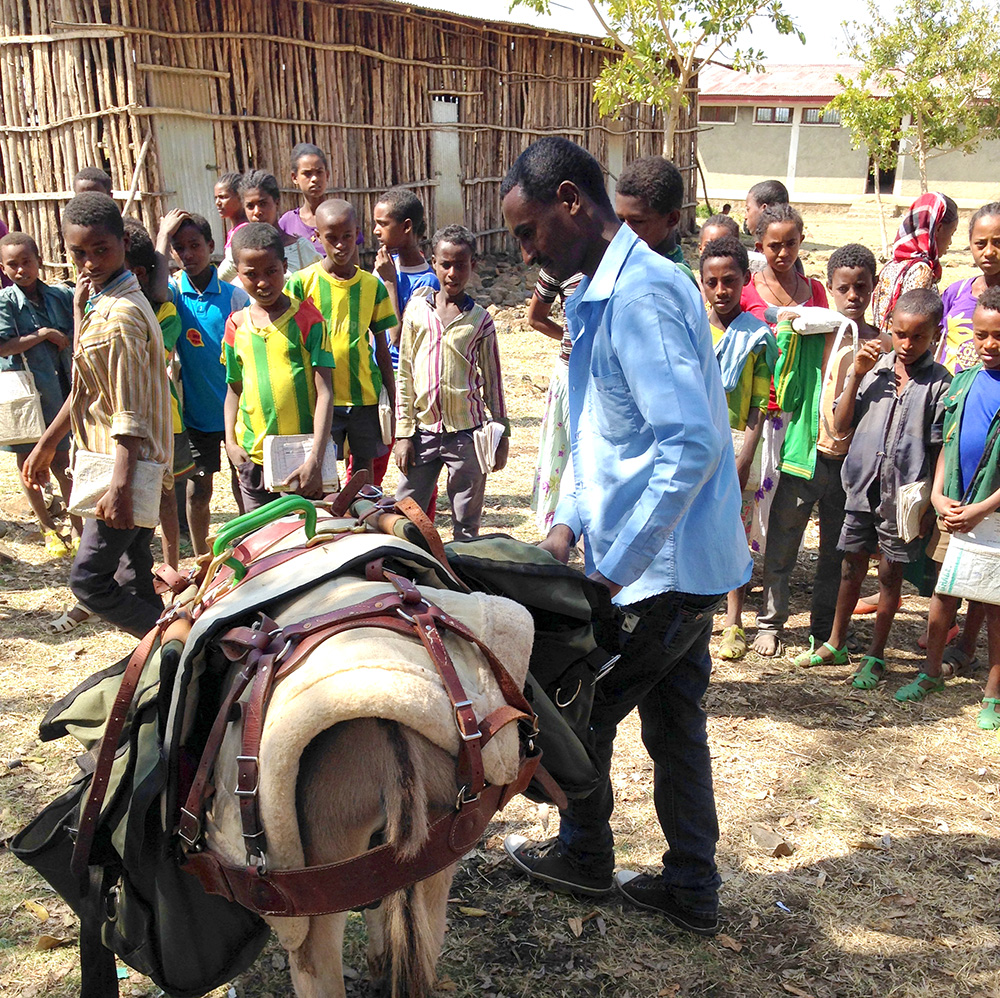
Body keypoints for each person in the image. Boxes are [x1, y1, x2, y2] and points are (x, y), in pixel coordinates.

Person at [499, 137, 750, 936]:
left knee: (579, 711)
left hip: (662, 571)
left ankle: (584, 854)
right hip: (648, 561)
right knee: (676, 726)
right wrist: (567, 528)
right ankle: (690, 889)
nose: (527, 251)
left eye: (532, 230)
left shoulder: (641, 295)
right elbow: (599, 435)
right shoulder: (595, 295)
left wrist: (616, 568)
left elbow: (688, 445)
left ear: (573, 201)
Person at [23, 193, 172, 638]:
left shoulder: (121, 314)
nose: (88, 262)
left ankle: (181, 646)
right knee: (132, 579)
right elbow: (89, 386)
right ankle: (166, 673)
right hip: (113, 464)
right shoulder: (100, 301)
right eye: (78, 252)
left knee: (88, 582)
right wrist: (49, 441)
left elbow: (129, 412)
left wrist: (121, 488)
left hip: (124, 469)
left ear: (124, 243)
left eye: (100, 250)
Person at [803, 289, 951, 688]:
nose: (906, 344)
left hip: (903, 497)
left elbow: (939, 448)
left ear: (935, 335)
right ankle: (835, 640)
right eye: (900, 333)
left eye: (917, 337)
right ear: (890, 328)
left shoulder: (939, 384)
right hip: (862, 487)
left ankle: (876, 654)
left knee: (889, 575)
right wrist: (855, 374)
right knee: (850, 565)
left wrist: (931, 505)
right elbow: (841, 423)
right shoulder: (874, 369)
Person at [896, 287, 1000, 727]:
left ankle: (993, 694)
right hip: (953, 508)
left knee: (995, 605)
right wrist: (938, 495)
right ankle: (931, 670)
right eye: (980, 335)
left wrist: (983, 509)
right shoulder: (963, 382)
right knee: (943, 595)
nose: (989, 344)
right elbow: (945, 446)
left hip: (992, 517)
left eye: (998, 336)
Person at [785, 244, 890, 663]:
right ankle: (773, 622)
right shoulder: (819, 333)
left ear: (874, 288)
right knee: (785, 543)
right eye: (843, 288)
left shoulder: (883, 343)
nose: (852, 297)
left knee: (836, 551)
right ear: (829, 288)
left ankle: (823, 630)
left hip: (856, 466)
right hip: (810, 455)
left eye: (861, 288)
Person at [393, 225, 508, 541]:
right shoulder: (417, 310)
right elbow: (404, 373)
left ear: (474, 265)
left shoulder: (480, 320)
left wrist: (501, 433)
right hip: (422, 435)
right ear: (433, 262)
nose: (453, 273)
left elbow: (493, 382)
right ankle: (412, 573)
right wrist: (403, 434)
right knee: (406, 514)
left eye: (461, 265)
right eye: (445, 264)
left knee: (466, 524)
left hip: (467, 437)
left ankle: (463, 581)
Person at [700, 236, 778, 659]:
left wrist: (745, 454)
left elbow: (760, 403)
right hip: (696, 439)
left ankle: (733, 620)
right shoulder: (693, 328)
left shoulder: (757, 337)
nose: (721, 290)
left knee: (736, 530)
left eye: (730, 281)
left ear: (745, 281)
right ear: (702, 284)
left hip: (738, 441)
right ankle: (695, 611)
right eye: (711, 282)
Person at [223, 222, 334, 512]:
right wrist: (231, 443)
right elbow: (234, 389)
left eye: (271, 271)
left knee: (306, 542)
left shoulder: (309, 321)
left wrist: (315, 459)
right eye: (251, 274)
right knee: (262, 544)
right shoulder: (236, 326)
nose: (262, 282)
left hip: (301, 457)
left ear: (284, 266)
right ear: (238, 273)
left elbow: (325, 393)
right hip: (252, 458)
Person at [157, 209, 250, 551]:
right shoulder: (173, 293)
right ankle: (200, 557)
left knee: (246, 483)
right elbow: (154, 287)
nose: (188, 254)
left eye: (195, 245)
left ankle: (254, 547)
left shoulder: (234, 296)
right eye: (179, 247)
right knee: (199, 491)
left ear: (211, 246)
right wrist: (162, 238)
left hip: (239, 410)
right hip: (196, 415)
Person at [286, 199, 396, 483]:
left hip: (363, 395)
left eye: (347, 236)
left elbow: (382, 349)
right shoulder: (301, 284)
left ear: (357, 233)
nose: (340, 245)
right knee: (319, 476)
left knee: (363, 475)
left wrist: (394, 399)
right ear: (317, 237)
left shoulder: (372, 286)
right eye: (331, 238)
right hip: (318, 399)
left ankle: (362, 523)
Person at [0, 232, 80, 558]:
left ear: (39, 261)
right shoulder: (5, 302)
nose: (21, 270)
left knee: (64, 462)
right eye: (13, 265)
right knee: (28, 465)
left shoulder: (59, 296)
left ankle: (76, 525)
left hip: (59, 392)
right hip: (24, 398)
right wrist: (43, 334)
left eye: (27, 262)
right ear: (3, 269)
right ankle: (47, 527)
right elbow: (4, 345)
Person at [122, 217, 194, 571]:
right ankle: (137, 570)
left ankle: (171, 568)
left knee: (167, 498)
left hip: (164, 420)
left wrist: (163, 238)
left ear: (138, 273)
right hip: (122, 421)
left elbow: (153, 356)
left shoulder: (164, 312)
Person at [367, 186, 440, 493]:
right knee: (370, 461)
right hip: (376, 378)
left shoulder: (428, 281)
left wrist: (387, 282)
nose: (375, 231)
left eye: (382, 224)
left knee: (415, 466)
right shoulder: (384, 267)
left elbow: (396, 337)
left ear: (406, 227)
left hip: (408, 383)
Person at [527, 268, 583, 534]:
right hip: (570, 374)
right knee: (568, 456)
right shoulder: (559, 262)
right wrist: (571, 339)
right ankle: (560, 533)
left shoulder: (618, 258)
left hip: (610, 378)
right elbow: (536, 318)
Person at [872, 192, 959, 332]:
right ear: (938, 229)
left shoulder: (891, 265)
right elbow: (914, 325)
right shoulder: (921, 270)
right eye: (952, 233)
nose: (950, 242)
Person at [219, 171, 321, 285]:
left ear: (276, 203)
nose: (257, 212)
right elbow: (217, 284)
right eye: (250, 206)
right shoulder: (238, 251)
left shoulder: (300, 250)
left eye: (263, 204)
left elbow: (321, 284)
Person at [614, 156, 696, 283]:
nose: (624, 230)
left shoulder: (675, 279)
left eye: (637, 221)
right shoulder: (622, 266)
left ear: (672, 219)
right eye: (620, 220)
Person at [279, 143, 331, 257]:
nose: (314, 179)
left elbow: (354, 266)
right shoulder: (287, 223)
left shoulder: (340, 217)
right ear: (294, 177)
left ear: (327, 175)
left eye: (319, 172)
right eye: (307, 174)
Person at [743, 179, 794, 274]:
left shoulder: (782, 262)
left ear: (764, 209)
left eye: (748, 209)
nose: (745, 216)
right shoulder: (791, 258)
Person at [214, 172, 247, 251]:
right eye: (216, 198)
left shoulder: (244, 231)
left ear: (240, 198)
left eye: (223, 197)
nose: (217, 203)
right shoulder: (233, 231)